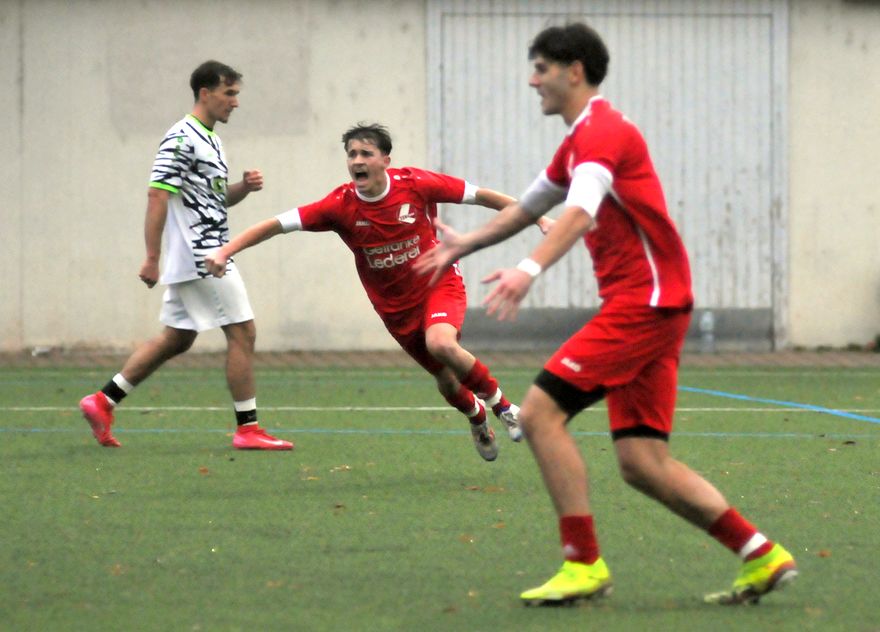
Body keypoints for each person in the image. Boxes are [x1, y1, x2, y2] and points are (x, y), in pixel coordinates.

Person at [414, 23, 797, 605]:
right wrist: (464, 243)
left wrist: (528, 270)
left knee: (539, 414)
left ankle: (583, 562)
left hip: (645, 303)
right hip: (655, 304)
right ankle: (761, 554)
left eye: (540, 68)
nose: (531, 79)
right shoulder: (577, 141)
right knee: (642, 461)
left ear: (574, 71)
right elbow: (530, 207)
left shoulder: (602, 133)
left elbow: (580, 212)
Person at [204, 123, 548, 460]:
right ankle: (477, 417)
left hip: (438, 283)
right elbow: (276, 225)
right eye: (351, 154)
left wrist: (539, 219)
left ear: (385, 159)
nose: (356, 160)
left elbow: (482, 195)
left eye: (365, 153)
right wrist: (225, 250)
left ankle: (504, 407)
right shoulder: (340, 205)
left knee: (442, 343)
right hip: (395, 308)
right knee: (445, 380)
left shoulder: (416, 184)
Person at [79, 60, 292, 451]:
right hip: (203, 255)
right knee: (243, 331)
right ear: (205, 93)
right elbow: (158, 193)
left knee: (177, 338)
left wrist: (242, 187)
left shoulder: (209, 138)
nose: (235, 103)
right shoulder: (181, 137)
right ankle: (248, 428)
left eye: (237, 94)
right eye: (229, 94)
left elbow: (213, 200)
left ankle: (103, 400)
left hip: (202, 250)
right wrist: (150, 257)